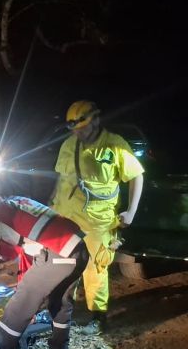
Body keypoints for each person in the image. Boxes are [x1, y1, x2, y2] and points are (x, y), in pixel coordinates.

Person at [0, 182, 89, 349]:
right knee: (60, 304)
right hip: (79, 249)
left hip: (58, 253)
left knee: (19, 306)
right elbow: (27, 244)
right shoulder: (15, 201)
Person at [50, 100, 144, 335]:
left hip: (98, 219)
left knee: (96, 267)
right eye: (75, 130)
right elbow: (61, 179)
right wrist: (52, 204)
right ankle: (61, 311)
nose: (79, 133)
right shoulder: (68, 145)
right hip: (66, 216)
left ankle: (98, 317)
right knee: (64, 265)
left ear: (96, 120)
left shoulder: (115, 145)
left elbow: (136, 176)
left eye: (83, 128)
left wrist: (131, 211)